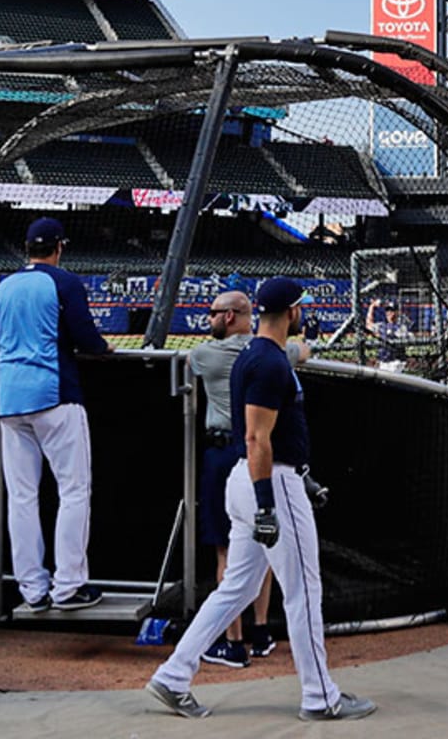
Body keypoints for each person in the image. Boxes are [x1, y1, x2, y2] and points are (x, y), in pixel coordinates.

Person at [146, 277, 375, 722]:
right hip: (267, 482)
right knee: (304, 591)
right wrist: (268, 503)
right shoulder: (268, 362)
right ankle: (320, 696)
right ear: (291, 313)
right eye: (300, 308)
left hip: (253, 479)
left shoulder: (256, 354)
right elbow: (256, 438)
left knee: (239, 586)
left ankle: (173, 675)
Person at [0, 217, 112, 612]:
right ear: (59, 247)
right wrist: (103, 348)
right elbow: (87, 338)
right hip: (54, 393)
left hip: (9, 397)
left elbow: (0, 334)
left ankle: (32, 590)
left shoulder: (5, 285)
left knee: (22, 497)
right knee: (74, 490)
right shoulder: (64, 282)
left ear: (27, 248)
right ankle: (68, 586)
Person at [190, 290, 307, 668]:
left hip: (233, 455)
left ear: (229, 316)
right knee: (267, 554)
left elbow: (192, 359)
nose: (208, 319)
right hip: (259, 455)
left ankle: (232, 641)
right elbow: (302, 352)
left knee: (228, 552)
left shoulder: (207, 355)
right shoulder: (272, 354)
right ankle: (261, 631)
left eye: (212, 314)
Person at [365, 298, 410, 372]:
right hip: (383, 361)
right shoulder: (382, 325)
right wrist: (372, 307)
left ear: (397, 312)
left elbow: (394, 338)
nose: (389, 313)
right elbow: (368, 325)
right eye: (388, 310)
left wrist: (379, 336)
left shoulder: (402, 327)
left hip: (396, 362)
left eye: (392, 310)